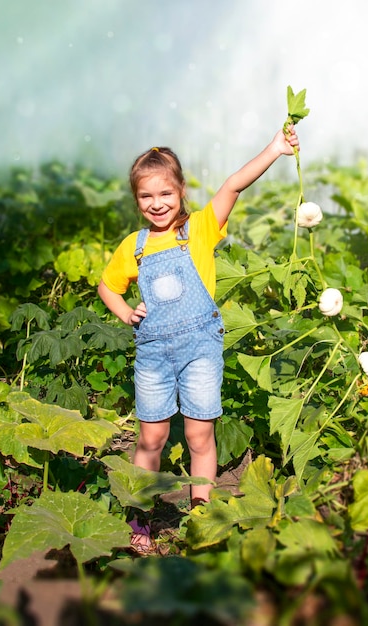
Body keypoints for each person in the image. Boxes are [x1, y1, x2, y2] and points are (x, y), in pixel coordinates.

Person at [98, 126, 299, 550]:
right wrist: (125, 311)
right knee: (150, 438)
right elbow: (106, 286)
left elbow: (233, 184)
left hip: (200, 352)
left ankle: (200, 518)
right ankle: (139, 522)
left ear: (181, 191)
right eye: (146, 197)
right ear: (137, 200)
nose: (157, 204)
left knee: (198, 437)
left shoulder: (201, 229)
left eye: (165, 194)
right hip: (153, 354)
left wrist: (275, 149)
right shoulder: (133, 247)